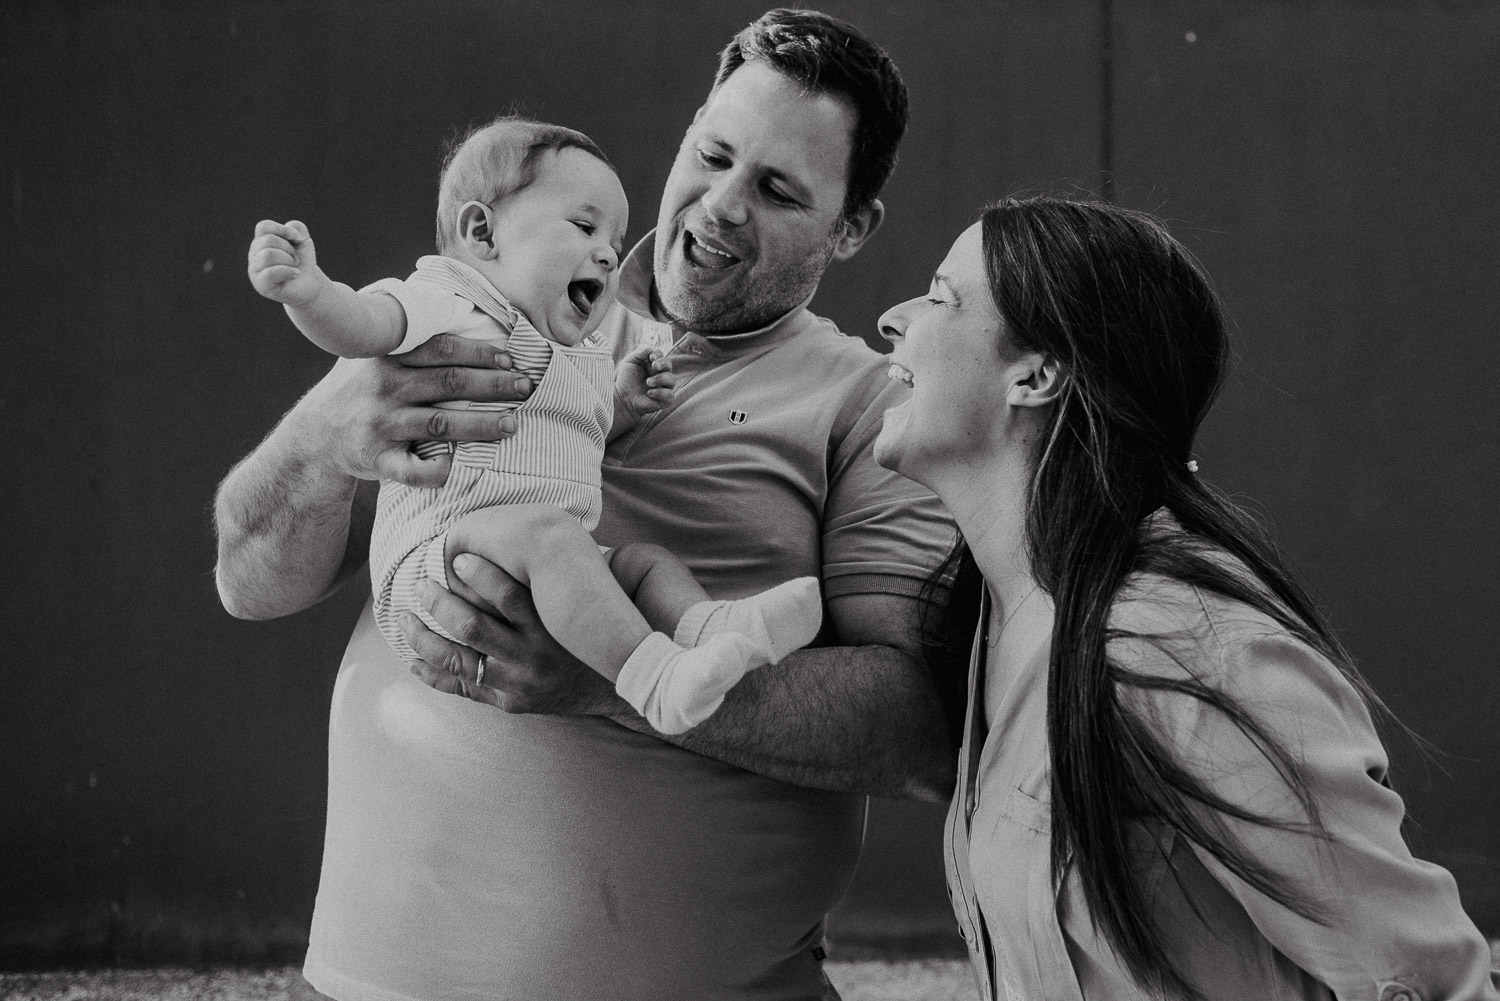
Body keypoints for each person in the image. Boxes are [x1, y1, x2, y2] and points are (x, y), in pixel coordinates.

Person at [214, 9, 955, 1001]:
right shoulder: (490, 307)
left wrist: (605, 683)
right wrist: (324, 432)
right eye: (715, 153)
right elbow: (249, 583)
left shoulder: (867, 403)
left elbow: (914, 728)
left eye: (778, 189)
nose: (724, 204)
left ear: (851, 226)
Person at [870, 196, 1500, 999]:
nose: (895, 319)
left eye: (940, 296)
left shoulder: (1180, 646)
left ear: (1036, 373)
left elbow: (1430, 980)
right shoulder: (1005, 622)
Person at [245, 117, 822, 734]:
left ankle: (706, 628)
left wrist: (622, 400)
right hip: (439, 564)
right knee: (552, 537)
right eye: (583, 226)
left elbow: (578, 429)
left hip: (542, 557)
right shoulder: (451, 303)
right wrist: (308, 293)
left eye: (615, 236)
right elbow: (361, 326)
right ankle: (656, 681)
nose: (608, 251)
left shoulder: (576, 351)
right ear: (481, 232)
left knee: (642, 565)